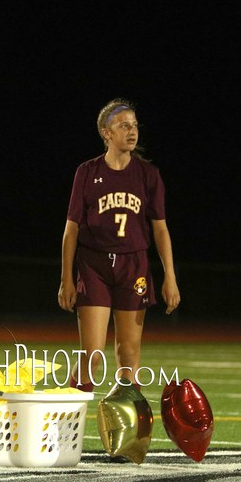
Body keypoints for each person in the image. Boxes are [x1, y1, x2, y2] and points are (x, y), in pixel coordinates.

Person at [58, 98, 181, 391]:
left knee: (129, 354)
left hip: (133, 265)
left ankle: (128, 433)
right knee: (92, 355)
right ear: (106, 132)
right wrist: (66, 279)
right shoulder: (87, 172)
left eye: (134, 125)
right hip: (94, 265)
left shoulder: (148, 175)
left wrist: (170, 277)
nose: (132, 130)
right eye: (123, 125)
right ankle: (65, 428)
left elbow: (161, 229)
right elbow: (71, 230)